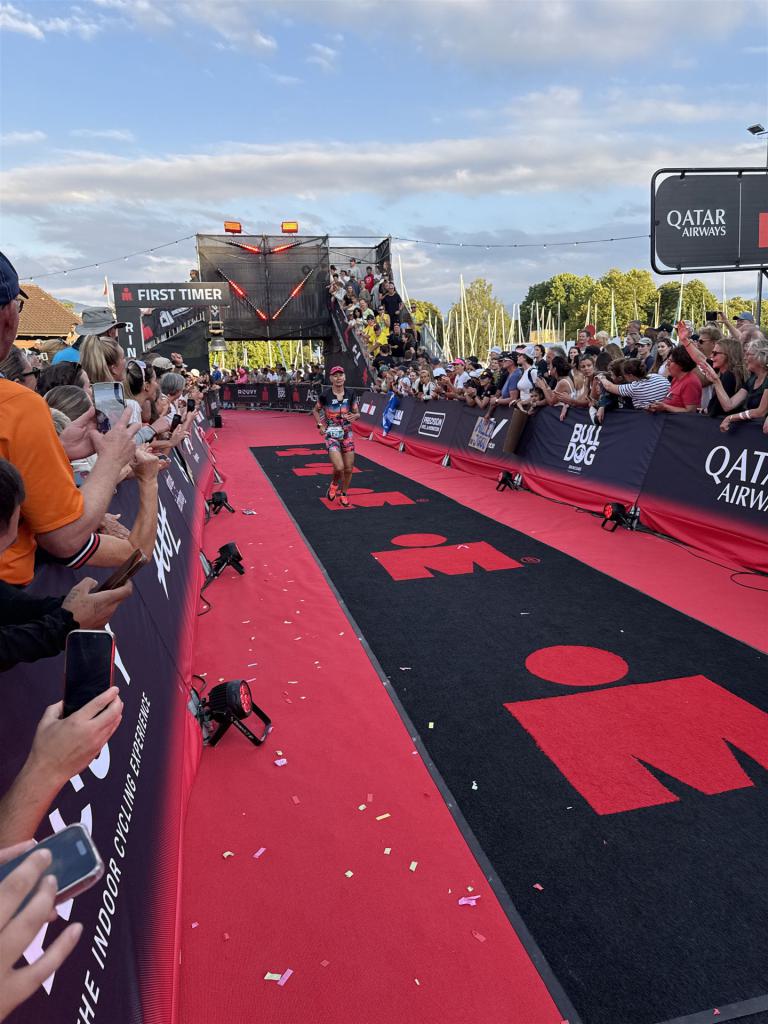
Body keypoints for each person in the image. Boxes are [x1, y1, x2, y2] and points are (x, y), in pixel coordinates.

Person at [312, 366, 361, 508]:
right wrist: (320, 425)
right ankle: (334, 484)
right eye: (335, 375)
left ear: (345, 377)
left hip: (347, 433)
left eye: (341, 375)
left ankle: (343, 494)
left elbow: (357, 413)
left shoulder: (351, 393)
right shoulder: (325, 395)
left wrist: (355, 416)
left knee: (349, 468)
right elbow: (315, 410)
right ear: (331, 378)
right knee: (339, 467)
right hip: (331, 434)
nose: (338, 378)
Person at [699, 343, 768, 432]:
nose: (744, 358)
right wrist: (716, 381)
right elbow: (728, 405)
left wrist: (731, 417)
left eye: (748, 354)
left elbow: (760, 412)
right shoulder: (752, 379)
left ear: (760, 356)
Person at [596, 358, 671, 409]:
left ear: (630, 376)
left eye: (624, 374)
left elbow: (609, 387)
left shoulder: (634, 388)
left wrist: (601, 377)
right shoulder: (656, 376)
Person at [648, 345, 702, 414]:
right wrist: (657, 407)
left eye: (670, 361)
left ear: (681, 364)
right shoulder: (676, 378)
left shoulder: (691, 382)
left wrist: (665, 407)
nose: (667, 364)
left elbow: (691, 411)